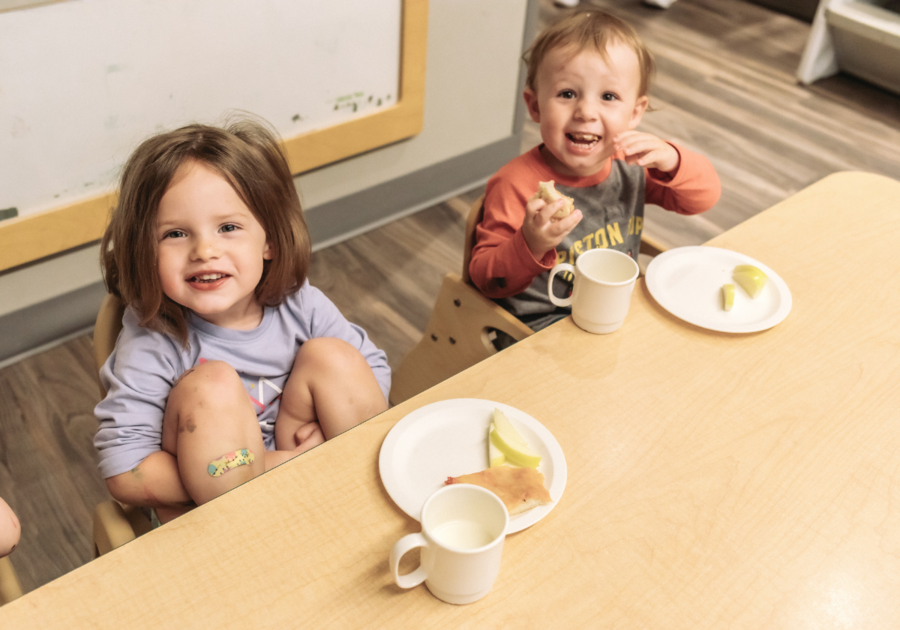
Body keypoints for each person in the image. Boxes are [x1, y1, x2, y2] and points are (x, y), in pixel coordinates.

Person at [94, 118, 391, 523]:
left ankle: (372, 506)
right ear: (144, 250)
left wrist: (322, 445)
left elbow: (370, 371)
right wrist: (267, 468)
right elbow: (127, 473)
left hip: (323, 484)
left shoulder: (300, 304)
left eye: (228, 227)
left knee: (335, 357)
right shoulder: (153, 340)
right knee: (211, 384)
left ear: (268, 240)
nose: (205, 250)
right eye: (175, 234)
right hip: (225, 517)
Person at [470, 10, 720, 333]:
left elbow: (702, 199)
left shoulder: (629, 165)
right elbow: (486, 279)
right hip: (540, 330)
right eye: (567, 94)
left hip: (615, 312)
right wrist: (530, 244)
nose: (586, 112)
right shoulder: (515, 184)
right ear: (534, 106)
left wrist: (673, 160)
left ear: (635, 112)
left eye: (608, 96)